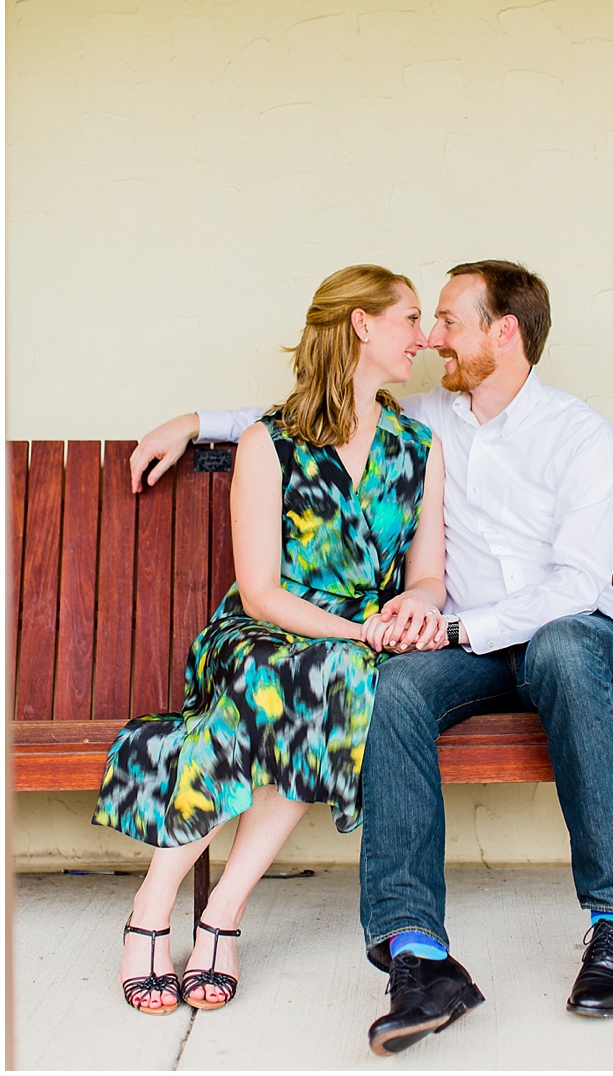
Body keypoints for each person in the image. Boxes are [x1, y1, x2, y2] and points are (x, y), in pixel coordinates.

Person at [130, 259, 613, 1052]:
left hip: (560, 632)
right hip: (458, 641)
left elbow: (578, 584)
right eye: (425, 320)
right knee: (392, 690)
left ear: (503, 333)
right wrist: (197, 419)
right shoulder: (432, 418)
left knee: (568, 651)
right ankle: (417, 954)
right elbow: (313, 418)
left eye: (449, 321)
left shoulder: (579, 434)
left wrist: (451, 622)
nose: (436, 337)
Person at [94, 263, 447, 1016]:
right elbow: (261, 590)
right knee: (299, 678)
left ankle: (220, 910)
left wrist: (412, 607)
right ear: (360, 324)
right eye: (410, 319)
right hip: (263, 630)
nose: (423, 338)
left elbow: (429, 575)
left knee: (332, 679)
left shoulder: (419, 446)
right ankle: (155, 905)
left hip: (352, 646)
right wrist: (361, 629)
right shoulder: (268, 442)